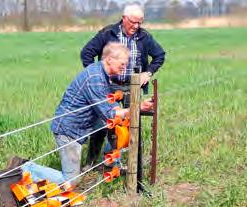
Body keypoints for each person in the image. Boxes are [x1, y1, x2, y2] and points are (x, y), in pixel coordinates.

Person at [51, 42, 153, 185]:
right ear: (110, 59)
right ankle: (26, 168)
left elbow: (111, 106)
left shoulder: (102, 74)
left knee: (110, 125)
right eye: (122, 64)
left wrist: (135, 108)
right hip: (68, 130)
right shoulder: (95, 79)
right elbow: (111, 114)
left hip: (82, 126)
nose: (124, 68)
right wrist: (138, 108)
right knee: (71, 182)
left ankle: (109, 162)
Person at [80, 4, 166, 170]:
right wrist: (96, 77)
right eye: (133, 22)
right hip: (109, 86)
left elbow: (159, 55)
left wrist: (147, 73)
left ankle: (113, 163)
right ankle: (90, 164)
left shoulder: (144, 36)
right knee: (102, 123)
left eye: (140, 22)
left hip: (132, 87)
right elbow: (86, 53)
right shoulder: (108, 33)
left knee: (129, 125)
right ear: (124, 18)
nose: (136, 26)